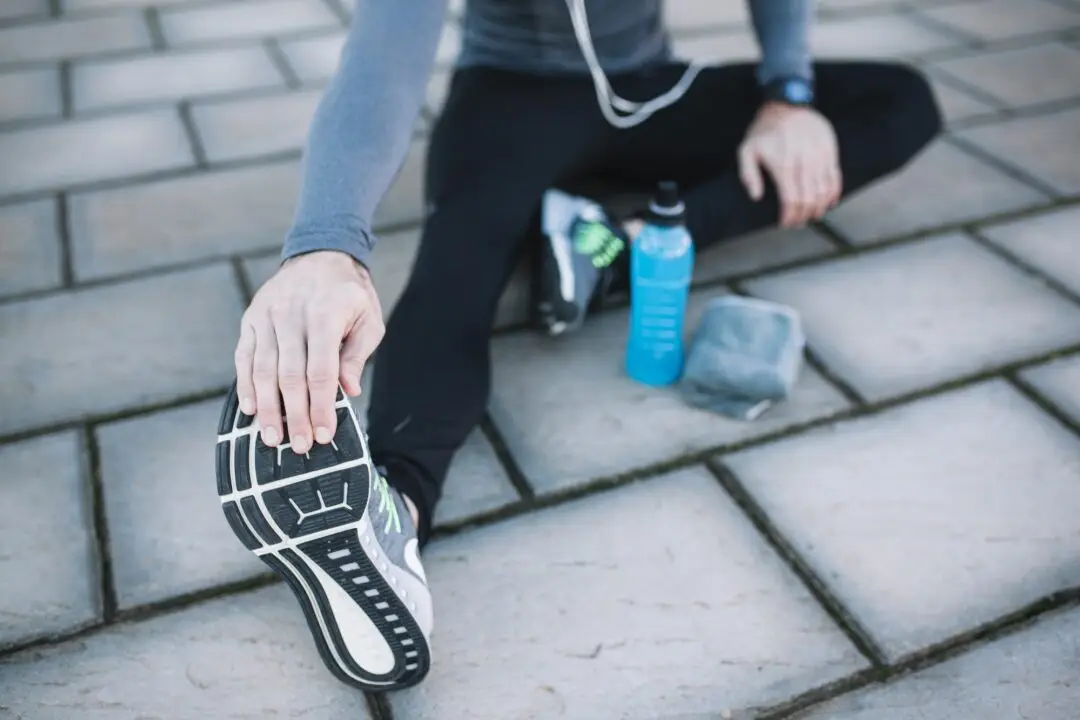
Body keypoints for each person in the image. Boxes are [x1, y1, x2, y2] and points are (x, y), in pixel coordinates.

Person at [214, 0, 942, 692]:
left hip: (654, 89)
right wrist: (325, 243)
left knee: (902, 100)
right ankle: (390, 508)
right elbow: (383, 53)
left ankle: (614, 248)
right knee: (455, 270)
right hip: (510, 98)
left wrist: (788, 97)